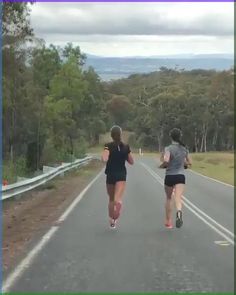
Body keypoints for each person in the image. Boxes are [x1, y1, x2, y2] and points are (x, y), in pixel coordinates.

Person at [101, 125, 134, 228]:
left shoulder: (108, 146)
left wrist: (104, 156)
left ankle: (112, 220)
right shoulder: (126, 147)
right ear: (120, 134)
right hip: (121, 175)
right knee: (117, 198)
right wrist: (125, 154)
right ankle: (117, 205)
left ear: (111, 135)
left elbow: (104, 158)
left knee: (111, 199)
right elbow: (131, 161)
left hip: (110, 174)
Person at [159, 128, 192, 229]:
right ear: (180, 136)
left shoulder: (168, 148)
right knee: (178, 198)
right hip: (180, 176)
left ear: (171, 137)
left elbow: (166, 161)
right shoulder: (184, 148)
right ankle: (179, 212)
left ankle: (168, 221)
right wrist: (183, 164)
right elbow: (189, 162)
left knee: (169, 198)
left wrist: (161, 166)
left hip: (169, 176)